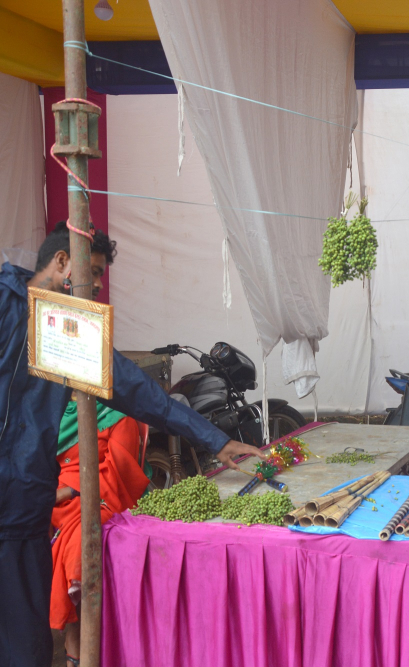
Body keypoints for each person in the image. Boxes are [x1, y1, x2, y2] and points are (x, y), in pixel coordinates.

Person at [0, 222, 264, 667]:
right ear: (62, 262)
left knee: (25, 648)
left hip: (23, 512)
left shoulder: (65, 330)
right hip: (21, 502)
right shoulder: (6, 305)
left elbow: (140, 393)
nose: (98, 286)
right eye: (93, 272)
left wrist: (216, 441)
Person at [51, 401, 148, 665]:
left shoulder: (118, 416)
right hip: (53, 496)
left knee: (79, 544)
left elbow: (118, 475)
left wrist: (69, 492)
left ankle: (76, 641)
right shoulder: (52, 410)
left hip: (101, 494)